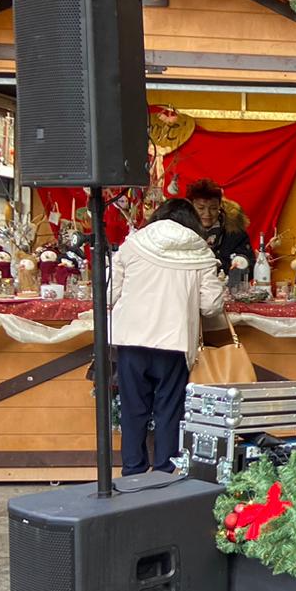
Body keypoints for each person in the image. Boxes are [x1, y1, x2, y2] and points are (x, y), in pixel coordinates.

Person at [109, 197, 226, 475]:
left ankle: (132, 473)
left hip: (131, 340)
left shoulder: (133, 245)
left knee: (132, 411)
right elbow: (211, 306)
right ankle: (163, 474)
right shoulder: (200, 252)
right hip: (173, 343)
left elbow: (109, 292)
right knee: (169, 412)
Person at [186, 178, 255, 277]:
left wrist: (240, 264)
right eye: (201, 208)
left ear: (220, 206)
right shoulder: (180, 232)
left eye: (213, 208)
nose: (207, 214)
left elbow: (250, 268)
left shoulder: (234, 233)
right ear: (190, 207)